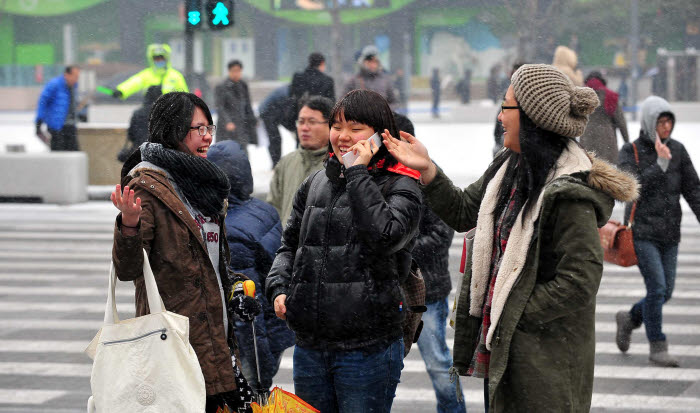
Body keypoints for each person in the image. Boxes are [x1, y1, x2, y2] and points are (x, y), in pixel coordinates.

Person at [383, 64, 638, 412]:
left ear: (533, 117)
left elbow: (580, 280)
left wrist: (514, 314)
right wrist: (426, 168)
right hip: (503, 348)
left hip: (544, 360)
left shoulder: (569, 191)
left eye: (506, 106)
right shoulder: (508, 167)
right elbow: (462, 210)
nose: (500, 117)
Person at [266, 89, 423, 413]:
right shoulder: (315, 184)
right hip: (311, 347)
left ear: (380, 136)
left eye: (355, 128)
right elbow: (290, 245)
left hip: (367, 348)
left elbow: (385, 235)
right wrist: (279, 287)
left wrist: (357, 173)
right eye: (338, 127)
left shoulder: (402, 184)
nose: (343, 137)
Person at [110, 92, 261, 413]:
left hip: (215, 339)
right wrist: (129, 225)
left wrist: (234, 286)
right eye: (197, 129)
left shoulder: (203, 185)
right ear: (173, 131)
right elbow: (128, 270)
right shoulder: (147, 187)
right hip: (174, 343)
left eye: (210, 127)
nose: (207, 137)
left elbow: (212, 264)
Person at [615, 96, 700, 368]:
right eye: (661, 122)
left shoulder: (678, 150)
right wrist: (659, 166)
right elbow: (631, 186)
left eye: (669, 121)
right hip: (643, 232)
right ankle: (658, 345)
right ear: (650, 122)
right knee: (658, 288)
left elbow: (693, 190)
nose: (666, 127)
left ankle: (629, 319)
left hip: (670, 233)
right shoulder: (632, 151)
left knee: (666, 292)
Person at [207, 140, 295, 395]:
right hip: (274, 328)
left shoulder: (229, 229)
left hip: (250, 345)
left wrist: (257, 370)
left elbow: (245, 308)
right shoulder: (263, 210)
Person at [394, 114, 467, 413]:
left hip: (428, 290)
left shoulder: (428, 176)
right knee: (379, 365)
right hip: (386, 291)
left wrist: (398, 250)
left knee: (438, 362)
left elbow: (440, 235)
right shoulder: (373, 177)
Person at [267, 95, 333, 226]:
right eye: (301, 122)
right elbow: (272, 210)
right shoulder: (286, 163)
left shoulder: (337, 166)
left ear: (330, 125)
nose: (304, 128)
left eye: (312, 122)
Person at [579, 71, 629, 164]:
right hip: (607, 140)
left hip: (586, 138)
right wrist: (627, 141)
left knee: (587, 170)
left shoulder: (581, 96)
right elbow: (621, 121)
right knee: (608, 172)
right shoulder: (610, 96)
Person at [112, 44, 188, 100]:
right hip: (150, 110)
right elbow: (133, 83)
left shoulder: (175, 76)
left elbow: (184, 95)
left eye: (161, 58)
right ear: (152, 60)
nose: (159, 61)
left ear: (166, 59)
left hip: (171, 112)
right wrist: (121, 91)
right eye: (156, 58)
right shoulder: (146, 74)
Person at [35, 65, 81, 151]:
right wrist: (39, 121)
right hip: (57, 126)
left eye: (77, 77)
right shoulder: (54, 84)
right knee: (58, 152)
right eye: (75, 76)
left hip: (70, 126)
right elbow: (42, 102)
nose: (76, 79)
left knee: (74, 153)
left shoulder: (74, 87)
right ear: (67, 75)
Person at [215, 60, 258, 147]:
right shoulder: (222, 87)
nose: (236, 74)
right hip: (226, 128)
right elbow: (220, 107)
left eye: (238, 71)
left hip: (241, 126)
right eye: (233, 71)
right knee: (225, 152)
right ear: (229, 71)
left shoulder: (243, 86)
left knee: (242, 153)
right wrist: (228, 122)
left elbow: (248, 105)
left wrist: (252, 120)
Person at [120, 86, 162, 162]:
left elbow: (131, 134)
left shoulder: (138, 113)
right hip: (158, 153)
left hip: (139, 151)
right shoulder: (162, 113)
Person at [259, 85, 294, 167]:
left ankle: (276, 162)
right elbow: (285, 113)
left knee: (275, 138)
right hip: (267, 113)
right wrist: (292, 127)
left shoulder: (288, 90)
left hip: (273, 112)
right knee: (274, 138)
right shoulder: (286, 93)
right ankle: (276, 163)